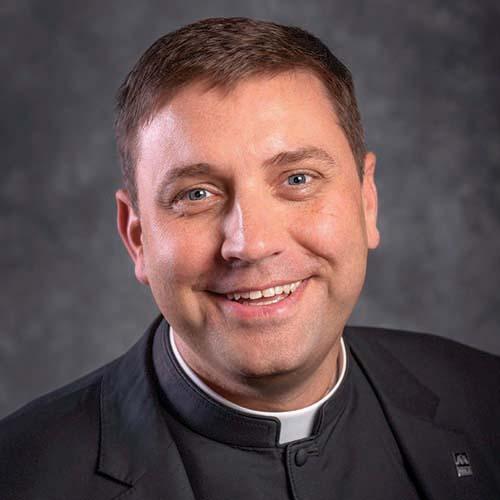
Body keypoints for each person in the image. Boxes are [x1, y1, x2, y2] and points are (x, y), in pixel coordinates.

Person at [1, 16, 499, 500]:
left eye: (298, 179)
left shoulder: (486, 401)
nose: (252, 244)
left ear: (367, 202)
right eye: (196, 194)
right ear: (137, 238)